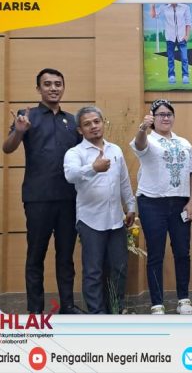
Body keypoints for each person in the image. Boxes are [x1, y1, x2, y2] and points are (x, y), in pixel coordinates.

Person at [2, 68, 85, 314]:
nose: (53, 88)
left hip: (69, 199)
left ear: (63, 87)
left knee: (65, 257)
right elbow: (7, 148)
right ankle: (35, 311)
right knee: (35, 256)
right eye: (47, 84)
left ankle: (67, 306)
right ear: (38, 88)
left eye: (58, 84)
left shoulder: (73, 121)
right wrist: (19, 131)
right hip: (37, 198)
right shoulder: (27, 117)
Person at [64, 106, 136, 314]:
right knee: (93, 272)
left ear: (102, 123)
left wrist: (130, 206)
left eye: (97, 121)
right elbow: (70, 175)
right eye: (87, 124)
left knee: (119, 269)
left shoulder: (115, 150)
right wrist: (93, 168)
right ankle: (97, 315)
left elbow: (123, 181)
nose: (93, 126)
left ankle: (116, 310)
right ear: (80, 130)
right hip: (90, 221)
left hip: (116, 220)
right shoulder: (75, 153)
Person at [130, 99, 192, 314]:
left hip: (180, 203)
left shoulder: (184, 143)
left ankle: (183, 299)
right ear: (153, 118)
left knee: (182, 252)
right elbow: (139, 145)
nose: (165, 118)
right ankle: (157, 303)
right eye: (160, 114)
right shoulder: (149, 139)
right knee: (156, 254)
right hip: (152, 203)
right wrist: (142, 128)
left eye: (169, 114)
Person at [150, 3, 192, 85]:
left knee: (184, 58)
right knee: (170, 58)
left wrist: (187, 36)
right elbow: (153, 15)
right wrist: (153, 6)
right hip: (170, 37)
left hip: (181, 37)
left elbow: (188, 22)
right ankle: (171, 76)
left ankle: (185, 76)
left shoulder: (185, 7)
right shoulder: (164, 7)